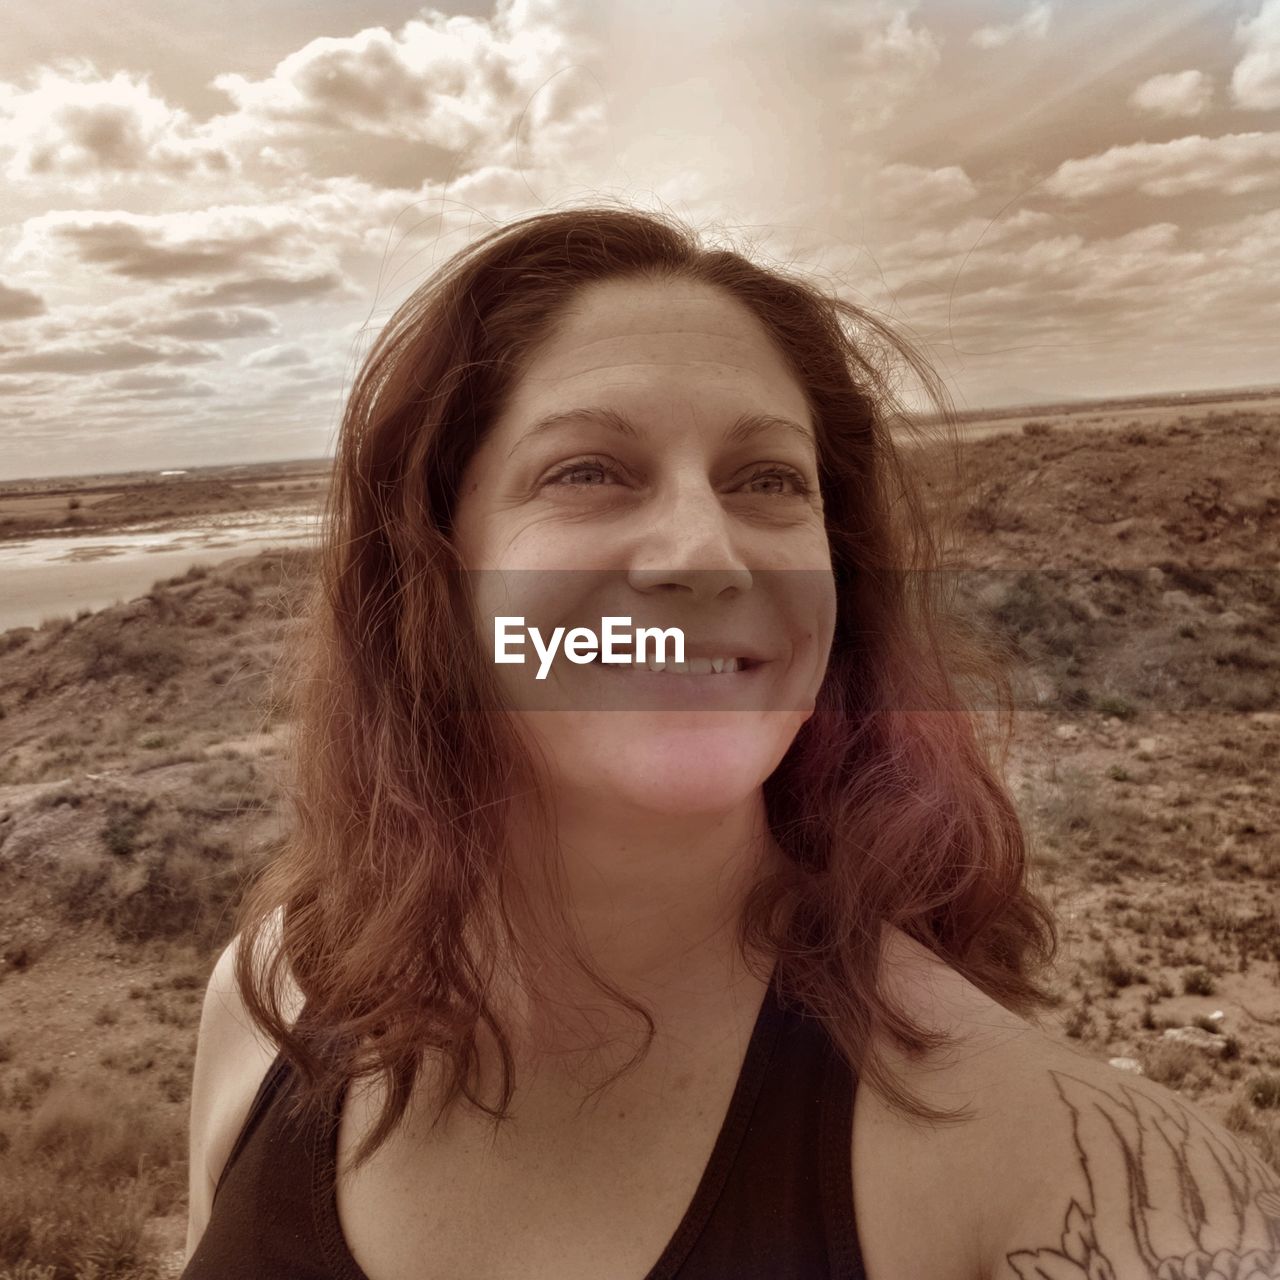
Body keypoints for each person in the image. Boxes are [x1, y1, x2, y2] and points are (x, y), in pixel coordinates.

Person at [181, 203, 1280, 1280]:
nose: (705, 551)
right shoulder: (273, 993)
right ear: (432, 565)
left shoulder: (1072, 1178)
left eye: (767, 481)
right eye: (588, 469)